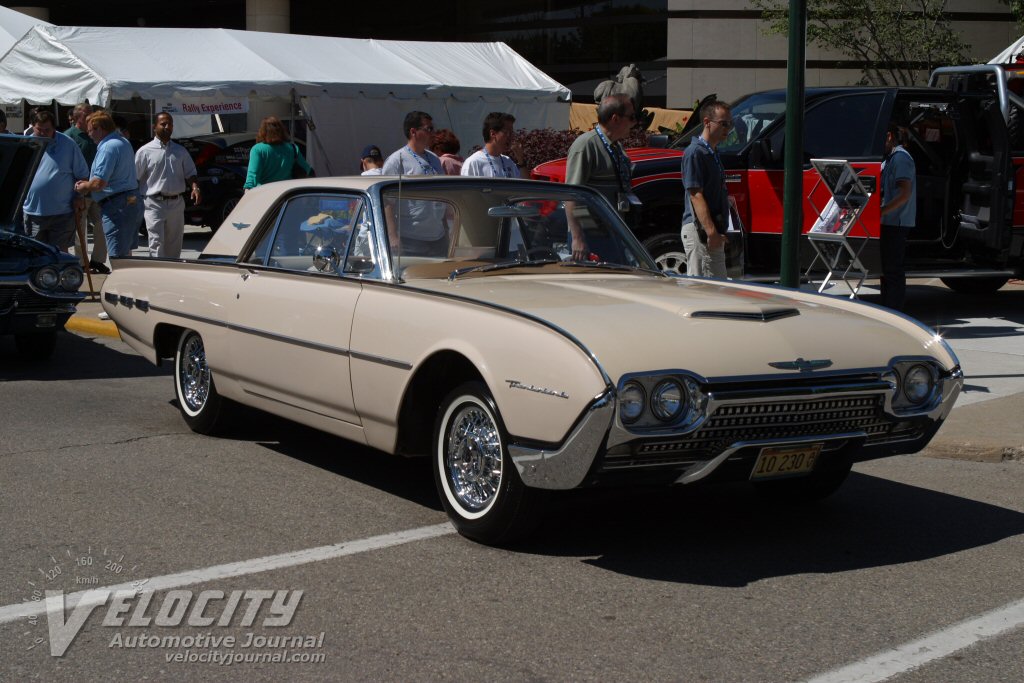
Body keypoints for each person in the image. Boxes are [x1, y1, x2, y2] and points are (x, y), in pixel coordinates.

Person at [563, 94, 638, 260]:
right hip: (591, 238)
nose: (635, 122)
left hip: (613, 233)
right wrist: (578, 238)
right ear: (615, 119)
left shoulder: (616, 146)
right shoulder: (586, 145)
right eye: (631, 117)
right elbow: (571, 195)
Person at [74, 111, 141, 259]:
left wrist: (83, 186)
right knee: (126, 251)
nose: (89, 135)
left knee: (118, 255)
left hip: (117, 204)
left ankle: (121, 281)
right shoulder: (123, 142)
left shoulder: (108, 147)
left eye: (90, 130)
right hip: (130, 200)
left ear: (100, 128)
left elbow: (99, 183)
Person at [135, 113, 201, 258]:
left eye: (169, 124)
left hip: (176, 203)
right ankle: (158, 276)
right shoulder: (144, 152)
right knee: (156, 242)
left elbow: (190, 172)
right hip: (154, 203)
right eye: (163, 124)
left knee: (174, 244)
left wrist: (195, 187)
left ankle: (171, 274)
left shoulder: (180, 151)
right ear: (154, 127)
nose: (167, 127)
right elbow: (135, 178)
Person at [381, 111, 448, 255]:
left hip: (438, 235)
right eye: (429, 129)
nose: (433, 133)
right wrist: (392, 236)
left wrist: (446, 228)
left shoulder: (435, 159)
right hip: (411, 237)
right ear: (413, 132)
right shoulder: (396, 161)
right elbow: (387, 202)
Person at [23, 110, 90, 252]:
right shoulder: (25, 144)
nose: (42, 133)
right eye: (39, 130)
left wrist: (79, 196)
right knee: (35, 253)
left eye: (47, 130)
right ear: (32, 127)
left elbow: (83, 175)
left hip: (62, 212)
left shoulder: (68, 144)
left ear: (54, 128)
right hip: (33, 211)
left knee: (59, 253)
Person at [680, 99, 733, 278]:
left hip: (712, 232)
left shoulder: (713, 152)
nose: (728, 128)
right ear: (707, 123)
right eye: (723, 123)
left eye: (730, 124)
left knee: (719, 288)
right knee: (701, 291)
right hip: (700, 232)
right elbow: (695, 194)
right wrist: (711, 232)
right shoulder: (695, 152)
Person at [66, 103, 108, 273]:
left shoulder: (97, 134)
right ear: (76, 118)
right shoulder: (70, 137)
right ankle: (82, 263)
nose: (91, 117)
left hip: (98, 191)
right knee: (80, 230)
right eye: (86, 115)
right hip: (80, 192)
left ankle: (98, 260)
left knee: (102, 226)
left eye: (92, 113)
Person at [879, 123, 917, 311]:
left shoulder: (901, 159)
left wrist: (883, 211)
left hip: (897, 222)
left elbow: (904, 193)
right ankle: (888, 306)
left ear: (889, 136)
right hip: (889, 221)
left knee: (893, 270)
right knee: (887, 270)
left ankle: (894, 310)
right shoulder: (889, 158)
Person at [243, 116, 311, 189]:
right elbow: (308, 170)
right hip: (287, 193)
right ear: (281, 130)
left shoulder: (257, 149)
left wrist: (247, 191)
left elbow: (252, 176)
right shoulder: (293, 148)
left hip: (265, 193)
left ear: (262, 131)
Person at [461, 112, 520, 178]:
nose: (511, 136)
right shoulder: (474, 162)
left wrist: (521, 160)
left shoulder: (508, 162)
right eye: (506, 132)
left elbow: (523, 186)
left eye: (512, 132)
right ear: (493, 133)